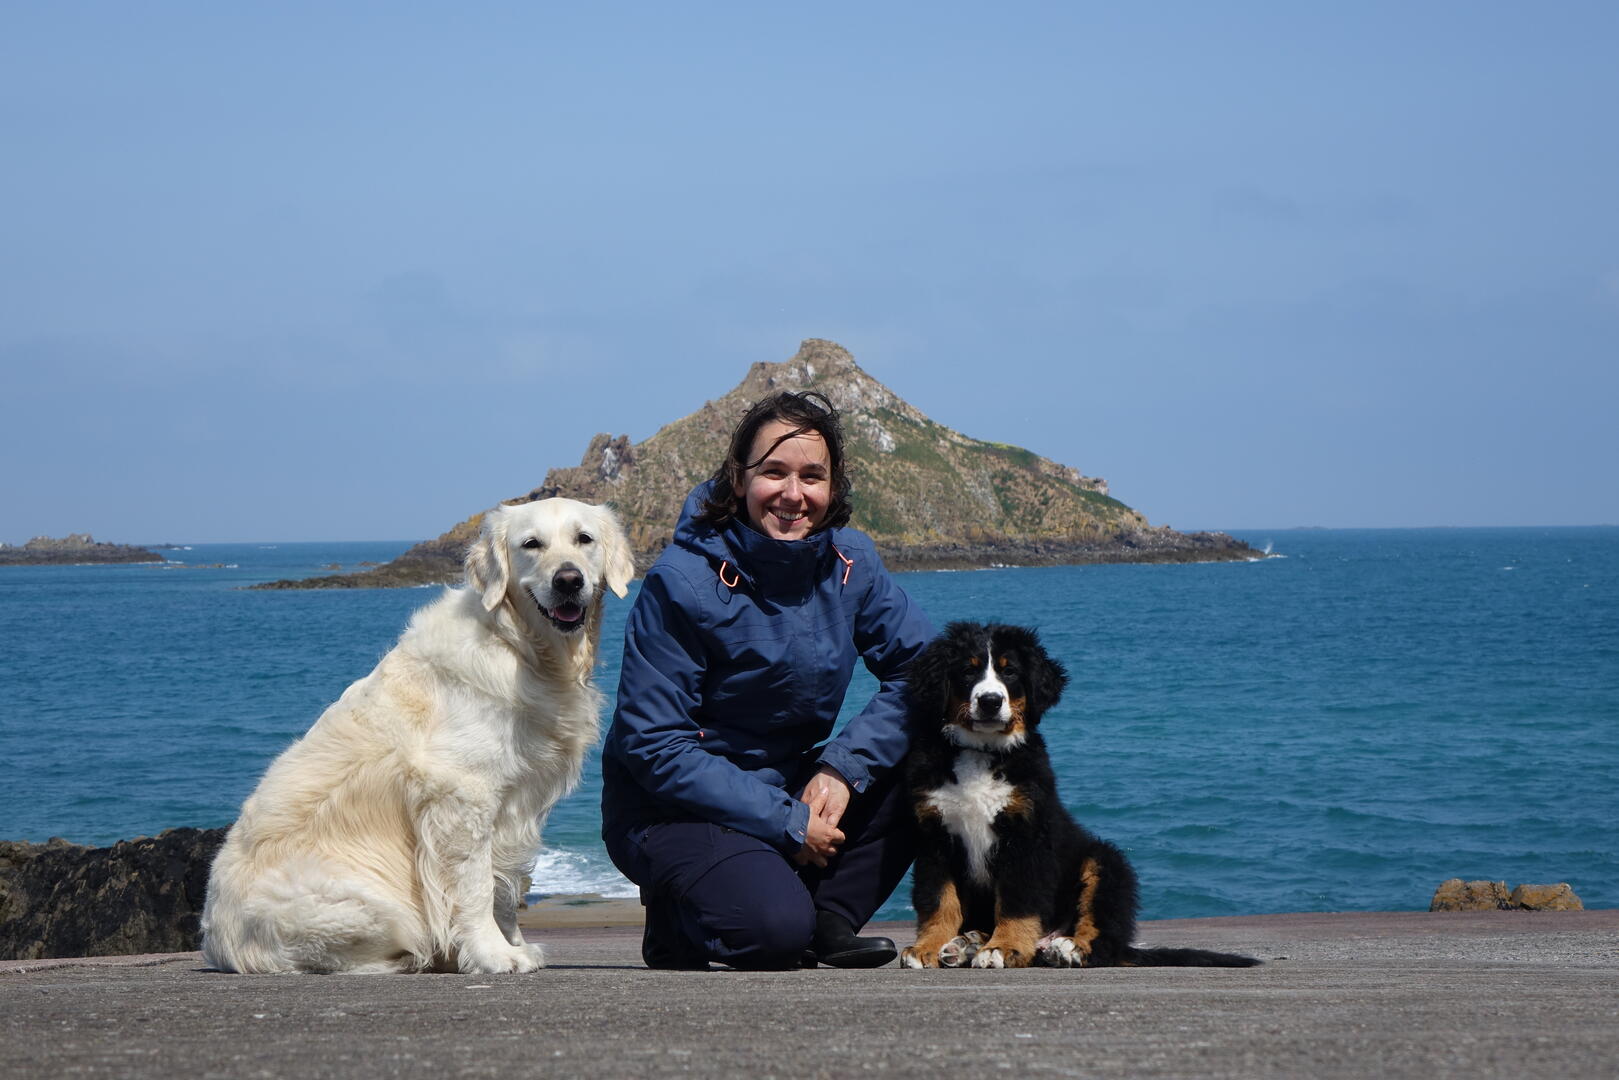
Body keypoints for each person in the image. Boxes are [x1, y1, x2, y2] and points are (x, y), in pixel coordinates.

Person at [601, 390, 935, 970]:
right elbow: (653, 747)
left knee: (940, 747)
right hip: (672, 809)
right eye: (773, 472)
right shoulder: (681, 583)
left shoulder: (851, 563)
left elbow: (925, 671)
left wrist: (842, 768)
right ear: (738, 479)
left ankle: (827, 920)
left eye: (812, 476)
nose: (793, 494)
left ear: (833, 489)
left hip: (787, 786)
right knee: (772, 934)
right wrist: (786, 821)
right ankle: (682, 917)